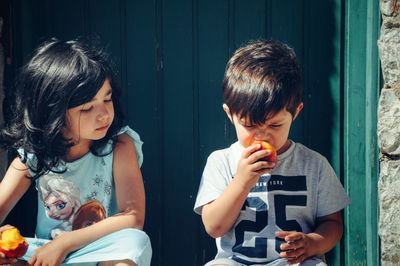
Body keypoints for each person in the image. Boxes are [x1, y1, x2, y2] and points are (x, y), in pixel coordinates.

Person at [194, 40, 350, 266]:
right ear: (230, 115)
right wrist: (241, 182)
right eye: (249, 125)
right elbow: (214, 227)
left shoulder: (314, 164)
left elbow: (333, 224)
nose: (262, 136)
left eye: (275, 126)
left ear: (296, 113)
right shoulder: (221, 162)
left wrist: (312, 243)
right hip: (236, 261)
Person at [0, 38, 152, 266]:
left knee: (135, 241)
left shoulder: (120, 146)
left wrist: (65, 243)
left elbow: (133, 217)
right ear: (53, 112)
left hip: (99, 254)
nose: (103, 114)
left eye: (107, 98)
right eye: (87, 108)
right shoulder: (34, 155)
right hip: (47, 257)